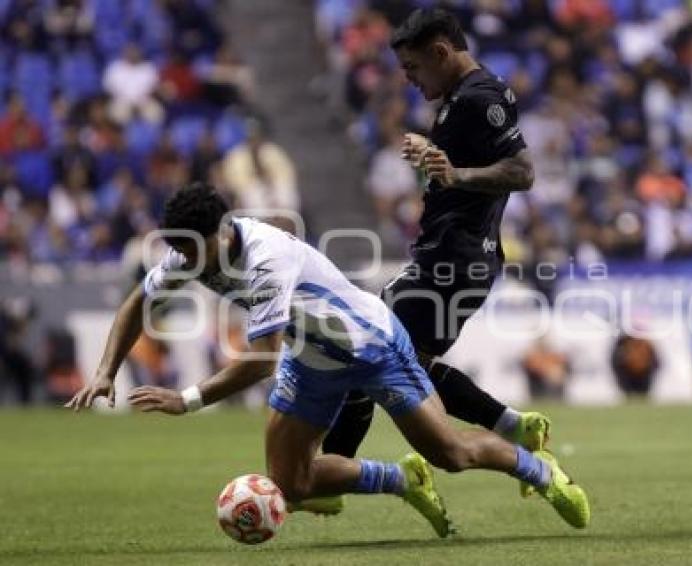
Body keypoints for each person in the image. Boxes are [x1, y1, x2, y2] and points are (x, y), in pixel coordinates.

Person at [66, 184, 590, 537]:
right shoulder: (185, 254)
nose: (188, 261)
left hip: (372, 346)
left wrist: (187, 400)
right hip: (311, 355)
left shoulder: (266, 260)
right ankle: (403, 481)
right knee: (290, 484)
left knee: (451, 453)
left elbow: (259, 362)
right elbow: (140, 300)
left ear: (221, 230)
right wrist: (106, 371)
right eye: (181, 251)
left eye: (195, 249)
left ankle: (540, 470)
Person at [323, 8, 551, 503]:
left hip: (453, 259)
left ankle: (325, 476)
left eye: (412, 69)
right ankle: (513, 426)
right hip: (451, 254)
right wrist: (432, 156)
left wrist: (455, 175)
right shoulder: (460, 99)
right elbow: (464, 166)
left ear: (441, 52)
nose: (409, 80)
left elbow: (523, 171)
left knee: (370, 353)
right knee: (403, 362)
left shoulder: (479, 98)